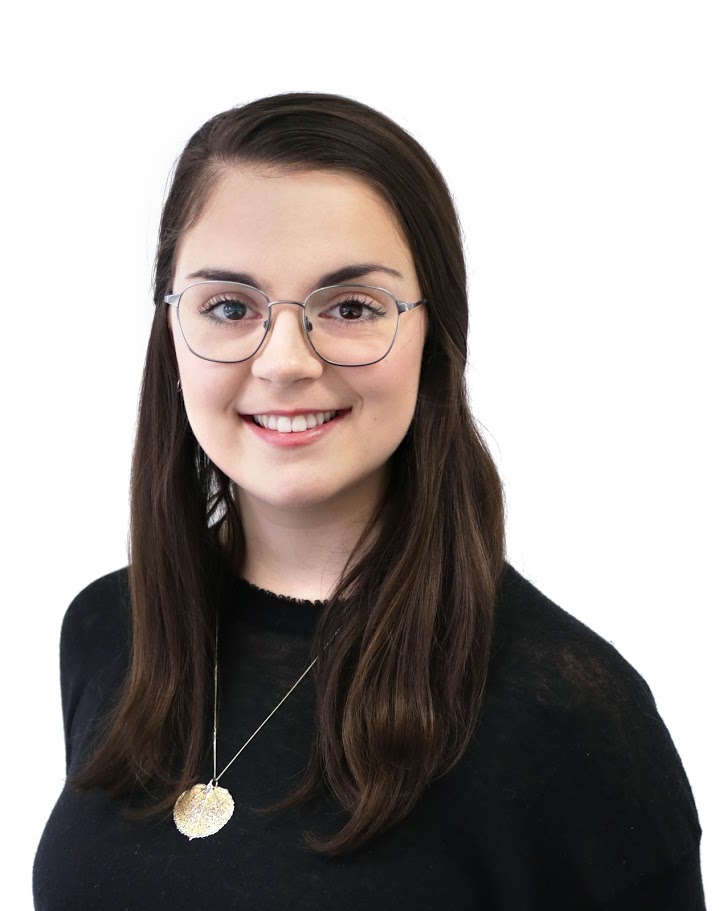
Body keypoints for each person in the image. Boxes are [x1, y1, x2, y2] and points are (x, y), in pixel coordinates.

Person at [33, 92, 704, 909]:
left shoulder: (571, 718)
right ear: (171, 330)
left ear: (433, 337)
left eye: (349, 307)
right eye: (230, 307)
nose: (283, 360)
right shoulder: (110, 629)